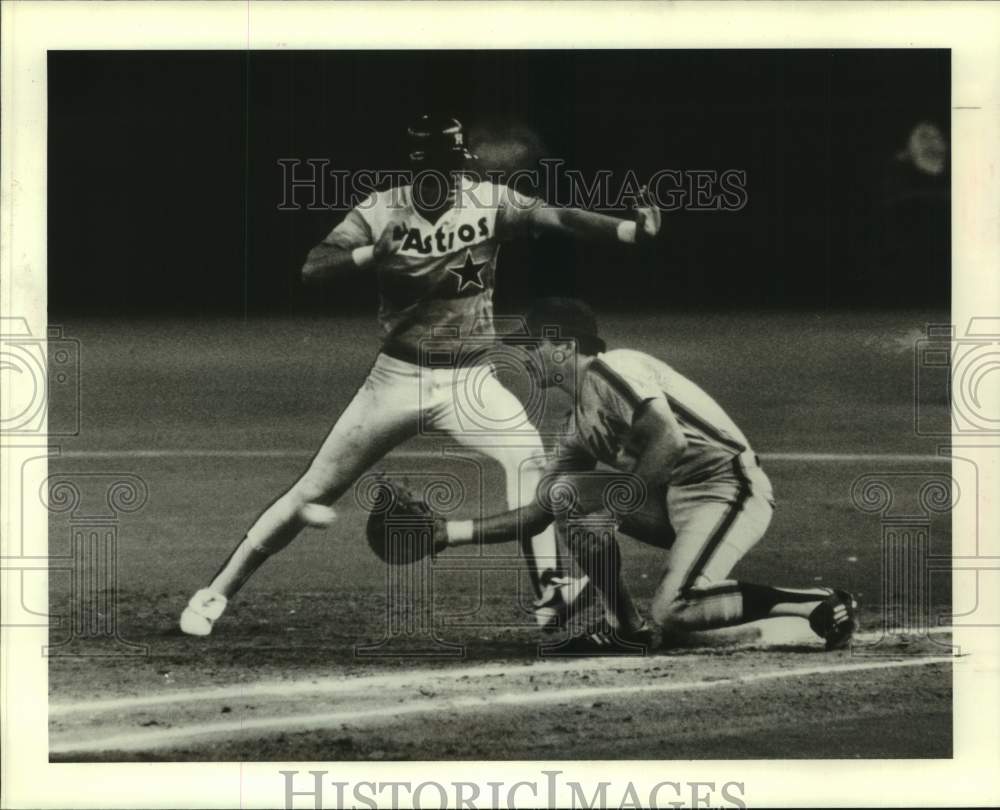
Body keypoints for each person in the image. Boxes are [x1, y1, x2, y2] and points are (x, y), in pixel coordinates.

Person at [180, 116, 662, 636]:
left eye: (456, 166)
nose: (454, 176)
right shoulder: (382, 208)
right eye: (443, 166)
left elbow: (560, 217)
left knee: (528, 458)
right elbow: (313, 268)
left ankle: (551, 590)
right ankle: (215, 593)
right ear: (419, 167)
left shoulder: (487, 199)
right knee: (314, 490)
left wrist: (629, 230)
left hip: (472, 382)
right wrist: (372, 253)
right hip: (397, 380)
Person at [434, 297, 858, 651]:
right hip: (672, 499)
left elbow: (669, 440)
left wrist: (613, 512)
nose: (524, 357)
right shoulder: (577, 424)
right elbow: (540, 512)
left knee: (675, 610)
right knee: (566, 494)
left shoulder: (615, 368)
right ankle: (627, 630)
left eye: (531, 345)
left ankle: (821, 602)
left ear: (560, 345)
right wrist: (446, 533)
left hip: (728, 489)